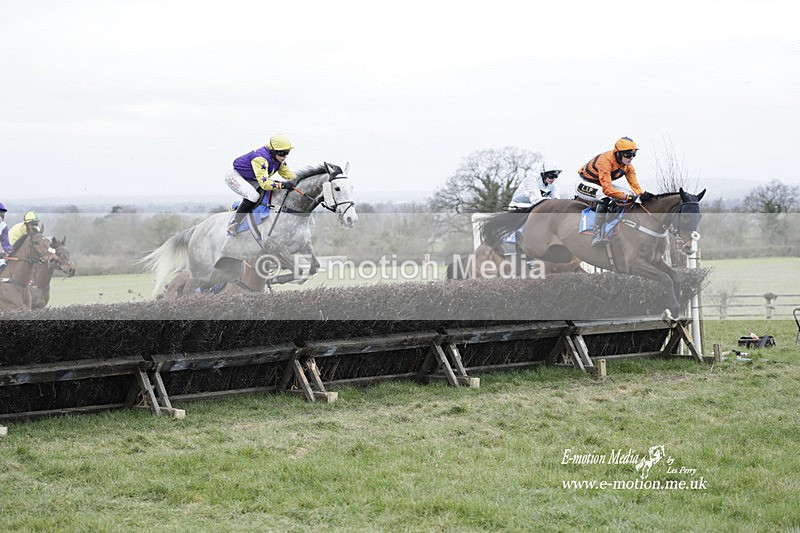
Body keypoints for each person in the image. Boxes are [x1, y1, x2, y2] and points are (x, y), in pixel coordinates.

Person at [576, 137, 654, 246]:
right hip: (585, 183)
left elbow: (635, 187)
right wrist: (627, 198)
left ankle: (613, 224)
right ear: (618, 154)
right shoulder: (605, 161)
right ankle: (597, 234)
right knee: (605, 197)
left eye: (633, 154)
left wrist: (642, 194)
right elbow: (607, 190)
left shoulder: (629, 167)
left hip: (601, 183)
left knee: (630, 194)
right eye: (628, 154)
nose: (631, 158)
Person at [225, 133, 297, 236]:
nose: (284, 156)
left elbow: (288, 175)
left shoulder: (278, 159)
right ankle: (234, 223)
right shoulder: (260, 159)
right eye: (282, 153)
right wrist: (283, 185)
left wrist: (298, 181)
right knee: (253, 196)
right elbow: (264, 184)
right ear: (273, 151)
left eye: (287, 153)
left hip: (250, 177)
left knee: (269, 192)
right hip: (234, 176)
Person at [0, 202, 11, 272]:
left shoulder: (3, 225)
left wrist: (10, 252)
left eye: (3, 213)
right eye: (1, 213)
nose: (2, 215)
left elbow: (5, 243)